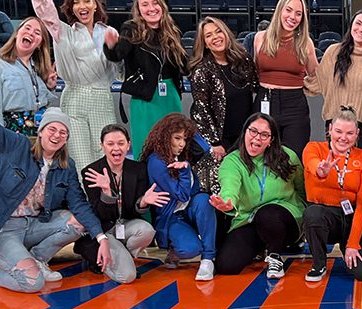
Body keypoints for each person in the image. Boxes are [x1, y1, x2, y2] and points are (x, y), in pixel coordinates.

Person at [0, 67, 110, 292]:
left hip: (35, 224)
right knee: (31, 283)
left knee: (76, 220)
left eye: (63, 133)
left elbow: (79, 204)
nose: (57, 135)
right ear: (42, 131)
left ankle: (36, 259)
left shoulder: (66, 165)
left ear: (66, 139)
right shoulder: (15, 145)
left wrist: (101, 237)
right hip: (1, 228)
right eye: (52, 129)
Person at [29, 0, 119, 172]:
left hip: (102, 97)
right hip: (74, 97)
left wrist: (116, 50)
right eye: (76, 2)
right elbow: (43, 6)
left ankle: (108, 205)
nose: (82, 6)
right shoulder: (63, 32)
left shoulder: (108, 32)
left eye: (87, 0)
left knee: (107, 154)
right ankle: (84, 207)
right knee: (80, 159)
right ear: (70, 8)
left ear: (95, 4)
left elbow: (120, 71)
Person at [210, 114, 307, 278]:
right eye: (253, 131)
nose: (257, 138)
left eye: (264, 135)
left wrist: (307, 218)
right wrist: (228, 202)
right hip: (250, 219)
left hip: (285, 217)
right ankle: (261, 247)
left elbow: (302, 188)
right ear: (245, 133)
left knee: (268, 214)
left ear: (271, 140)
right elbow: (229, 185)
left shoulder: (287, 156)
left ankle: (276, 257)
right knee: (227, 265)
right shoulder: (232, 161)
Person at [104, 0, 186, 158]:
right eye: (145, 4)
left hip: (170, 94)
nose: (151, 8)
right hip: (145, 97)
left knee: (173, 146)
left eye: (154, 3)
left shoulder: (172, 30)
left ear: (162, 5)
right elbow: (118, 53)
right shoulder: (131, 28)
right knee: (146, 148)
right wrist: (111, 46)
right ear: (138, 9)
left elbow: (183, 65)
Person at [78, 124, 167, 282]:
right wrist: (106, 191)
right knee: (127, 277)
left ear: (128, 144)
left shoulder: (138, 169)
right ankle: (98, 258)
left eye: (120, 143)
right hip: (103, 229)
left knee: (146, 230)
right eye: (110, 144)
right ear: (102, 146)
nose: (116, 148)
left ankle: (121, 256)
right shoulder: (91, 172)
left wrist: (143, 202)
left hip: (124, 224)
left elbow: (132, 212)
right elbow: (100, 215)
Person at [301, 107, 362, 281]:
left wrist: (353, 244)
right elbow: (312, 164)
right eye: (338, 131)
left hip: (352, 217)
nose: (343, 137)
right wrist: (321, 171)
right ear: (330, 130)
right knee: (313, 214)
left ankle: (349, 246)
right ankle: (319, 264)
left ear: (357, 134)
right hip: (325, 216)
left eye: (350, 133)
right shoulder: (314, 148)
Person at [188, 16, 259, 193]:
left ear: (226, 33)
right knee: (224, 188)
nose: (215, 37)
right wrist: (215, 142)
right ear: (204, 43)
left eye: (218, 31)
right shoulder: (202, 70)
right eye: (208, 35)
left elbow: (257, 89)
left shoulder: (244, 61)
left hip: (246, 136)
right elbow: (201, 110)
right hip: (221, 141)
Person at [143, 113, 217, 280]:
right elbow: (182, 195)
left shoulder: (181, 155)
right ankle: (174, 249)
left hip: (188, 210)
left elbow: (205, 148)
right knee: (190, 249)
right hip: (172, 218)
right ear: (164, 136)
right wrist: (184, 170)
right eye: (177, 138)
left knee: (205, 200)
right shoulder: (156, 161)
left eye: (184, 139)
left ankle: (208, 259)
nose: (182, 144)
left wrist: (188, 127)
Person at [253, 0, 318, 157]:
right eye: (288, 10)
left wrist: (307, 88)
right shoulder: (260, 38)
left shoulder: (306, 43)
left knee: (293, 159)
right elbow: (254, 71)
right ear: (279, 11)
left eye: (298, 13)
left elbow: (317, 77)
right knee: (261, 156)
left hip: (294, 105)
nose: (292, 17)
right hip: (264, 101)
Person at [309, 8, 362, 150]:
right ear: (351, 24)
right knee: (335, 169)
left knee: (358, 171)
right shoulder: (333, 52)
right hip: (335, 124)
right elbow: (318, 81)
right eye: (358, 23)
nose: (361, 29)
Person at [0, 17, 57, 136]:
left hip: (41, 132)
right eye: (27, 28)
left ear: (39, 44)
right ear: (16, 34)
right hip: (13, 133)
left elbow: (45, 103)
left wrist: (49, 87)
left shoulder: (38, 68)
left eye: (37, 33)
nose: (31, 33)